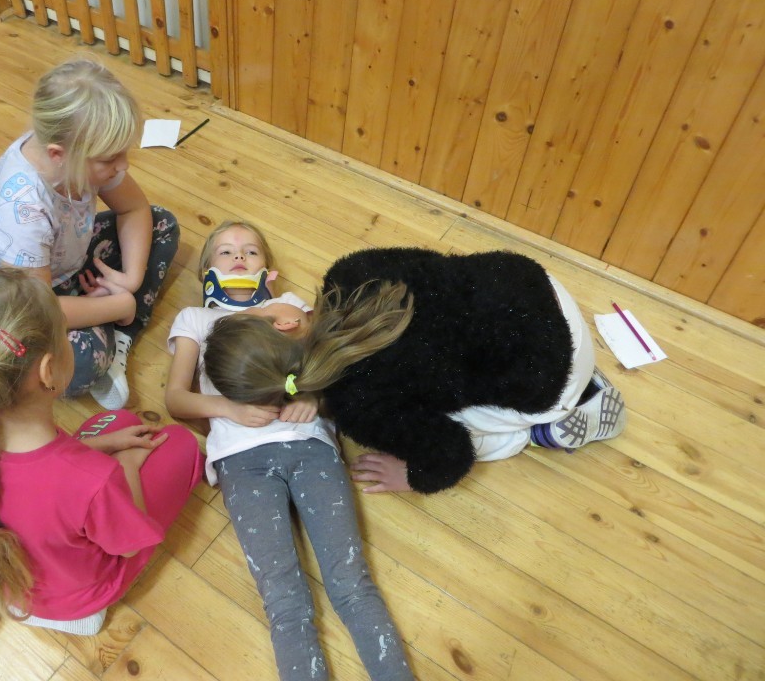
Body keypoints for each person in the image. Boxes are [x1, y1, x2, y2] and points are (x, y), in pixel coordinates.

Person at [0, 267, 204, 636]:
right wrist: (124, 464)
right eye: (65, 333)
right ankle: (76, 615)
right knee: (181, 443)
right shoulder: (95, 482)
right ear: (48, 370)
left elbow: (34, 477)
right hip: (79, 594)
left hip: (13, 558)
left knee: (119, 422)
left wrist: (101, 446)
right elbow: (127, 548)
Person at [203, 247, 628, 495]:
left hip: (558, 371)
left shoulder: (358, 408)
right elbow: (433, 262)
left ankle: (544, 430)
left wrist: (412, 477)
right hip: (539, 283)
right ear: (284, 322)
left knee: (461, 421)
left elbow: (452, 454)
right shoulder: (347, 273)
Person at [165, 284, 415, 681]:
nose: (238, 259)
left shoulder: (287, 307)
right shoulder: (197, 318)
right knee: (284, 601)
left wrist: (312, 397)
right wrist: (228, 407)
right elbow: (175, 400)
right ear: (207, 274)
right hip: (241, 462)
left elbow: (328, 374)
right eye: (225, 254)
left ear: (269, 274)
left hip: (310, 449)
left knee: (351, 582)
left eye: (249, 253)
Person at [0, 58, 178, 410]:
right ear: (58, 155)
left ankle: (118, 334)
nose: (123, 165)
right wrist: (121, 303)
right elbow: (38, 310)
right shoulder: (23, 213)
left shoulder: (78, 153)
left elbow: (135, 209)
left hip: (52, 275)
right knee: (76, 365)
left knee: (162, 224)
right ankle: (117, 323)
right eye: (110, 158)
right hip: (7, 308)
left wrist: (130, 279)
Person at [198, 219, 278, 310]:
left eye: (251, 252)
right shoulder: (191, 315)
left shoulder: (288, 302)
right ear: (205, 273)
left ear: (268, 269)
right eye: (226, 252)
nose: (239, 255)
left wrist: (274, 303)